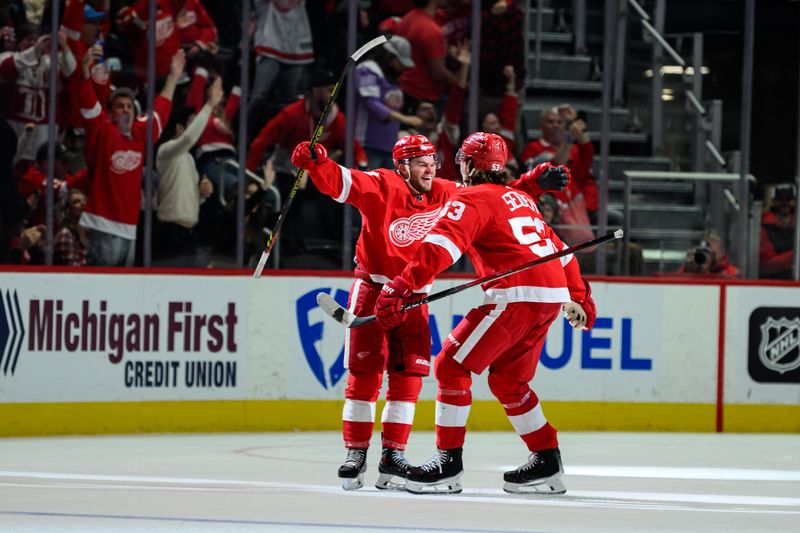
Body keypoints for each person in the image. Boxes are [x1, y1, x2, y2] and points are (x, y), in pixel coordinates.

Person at [290, 133, 570, 491]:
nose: (431, 168)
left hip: (413, 296)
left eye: (433, 161)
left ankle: (393, 455)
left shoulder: (445, 190)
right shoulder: (380, 183)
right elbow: (339, 182)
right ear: (402, 165)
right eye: (422, 162)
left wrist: (531, 183)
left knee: (407, 379)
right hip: (374, 289)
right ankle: (356, 452)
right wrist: (317, 163)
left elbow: (488, 196)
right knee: (365, 374)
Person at [373, 132, 595, 495]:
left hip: (516, 295)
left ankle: (448, 465)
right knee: (508, 381)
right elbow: (562, 251)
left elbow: (439, 250)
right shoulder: (520, 199)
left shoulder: (470, 197)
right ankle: (547, 461)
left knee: (449, 366)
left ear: (469, 164)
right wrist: (581, 297)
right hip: (549, 296)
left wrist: (400, 287)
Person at [78, 43, 185, 266]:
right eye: (119, 106)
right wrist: (84, 71)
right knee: (103, 289)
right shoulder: (102, 129)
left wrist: (174, 77)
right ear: (110, 113)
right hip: (102, 224)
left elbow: (160, 111)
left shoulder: (138, 133)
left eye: (129, 106)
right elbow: (87, 101)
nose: (126, 109)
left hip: (130, 228)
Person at [154, 77, 221, 267]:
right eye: (191, 124)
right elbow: (188, 139)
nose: (196, 132)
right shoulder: (166, 151)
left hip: (189, 234)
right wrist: (209, 105)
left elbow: (188, 200)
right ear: (179, 128)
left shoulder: (189, 159)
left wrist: (202, 196)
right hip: (170, 234)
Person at [353, 34, 421, 169]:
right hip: (367, 144)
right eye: (400, 62)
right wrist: (405, 119)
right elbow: (371, 103)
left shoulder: (393, 77)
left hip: (390, 146)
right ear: (390, 56)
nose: (403, 67)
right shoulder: (368, 69)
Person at [760, 183, 797, 279]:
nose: (785, 203)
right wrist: (795, 255)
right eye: (780, 199)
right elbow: (766, 265)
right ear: (774, 202)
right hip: (771, 285)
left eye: (789, 199)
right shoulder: (764, 227)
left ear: (795, 201)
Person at [54, 188, 88, 266]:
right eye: (76, 202)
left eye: (85, 200)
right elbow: (72, 271)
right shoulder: (65, 234)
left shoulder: (92, 234)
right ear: (68, 210)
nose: (83, 203)